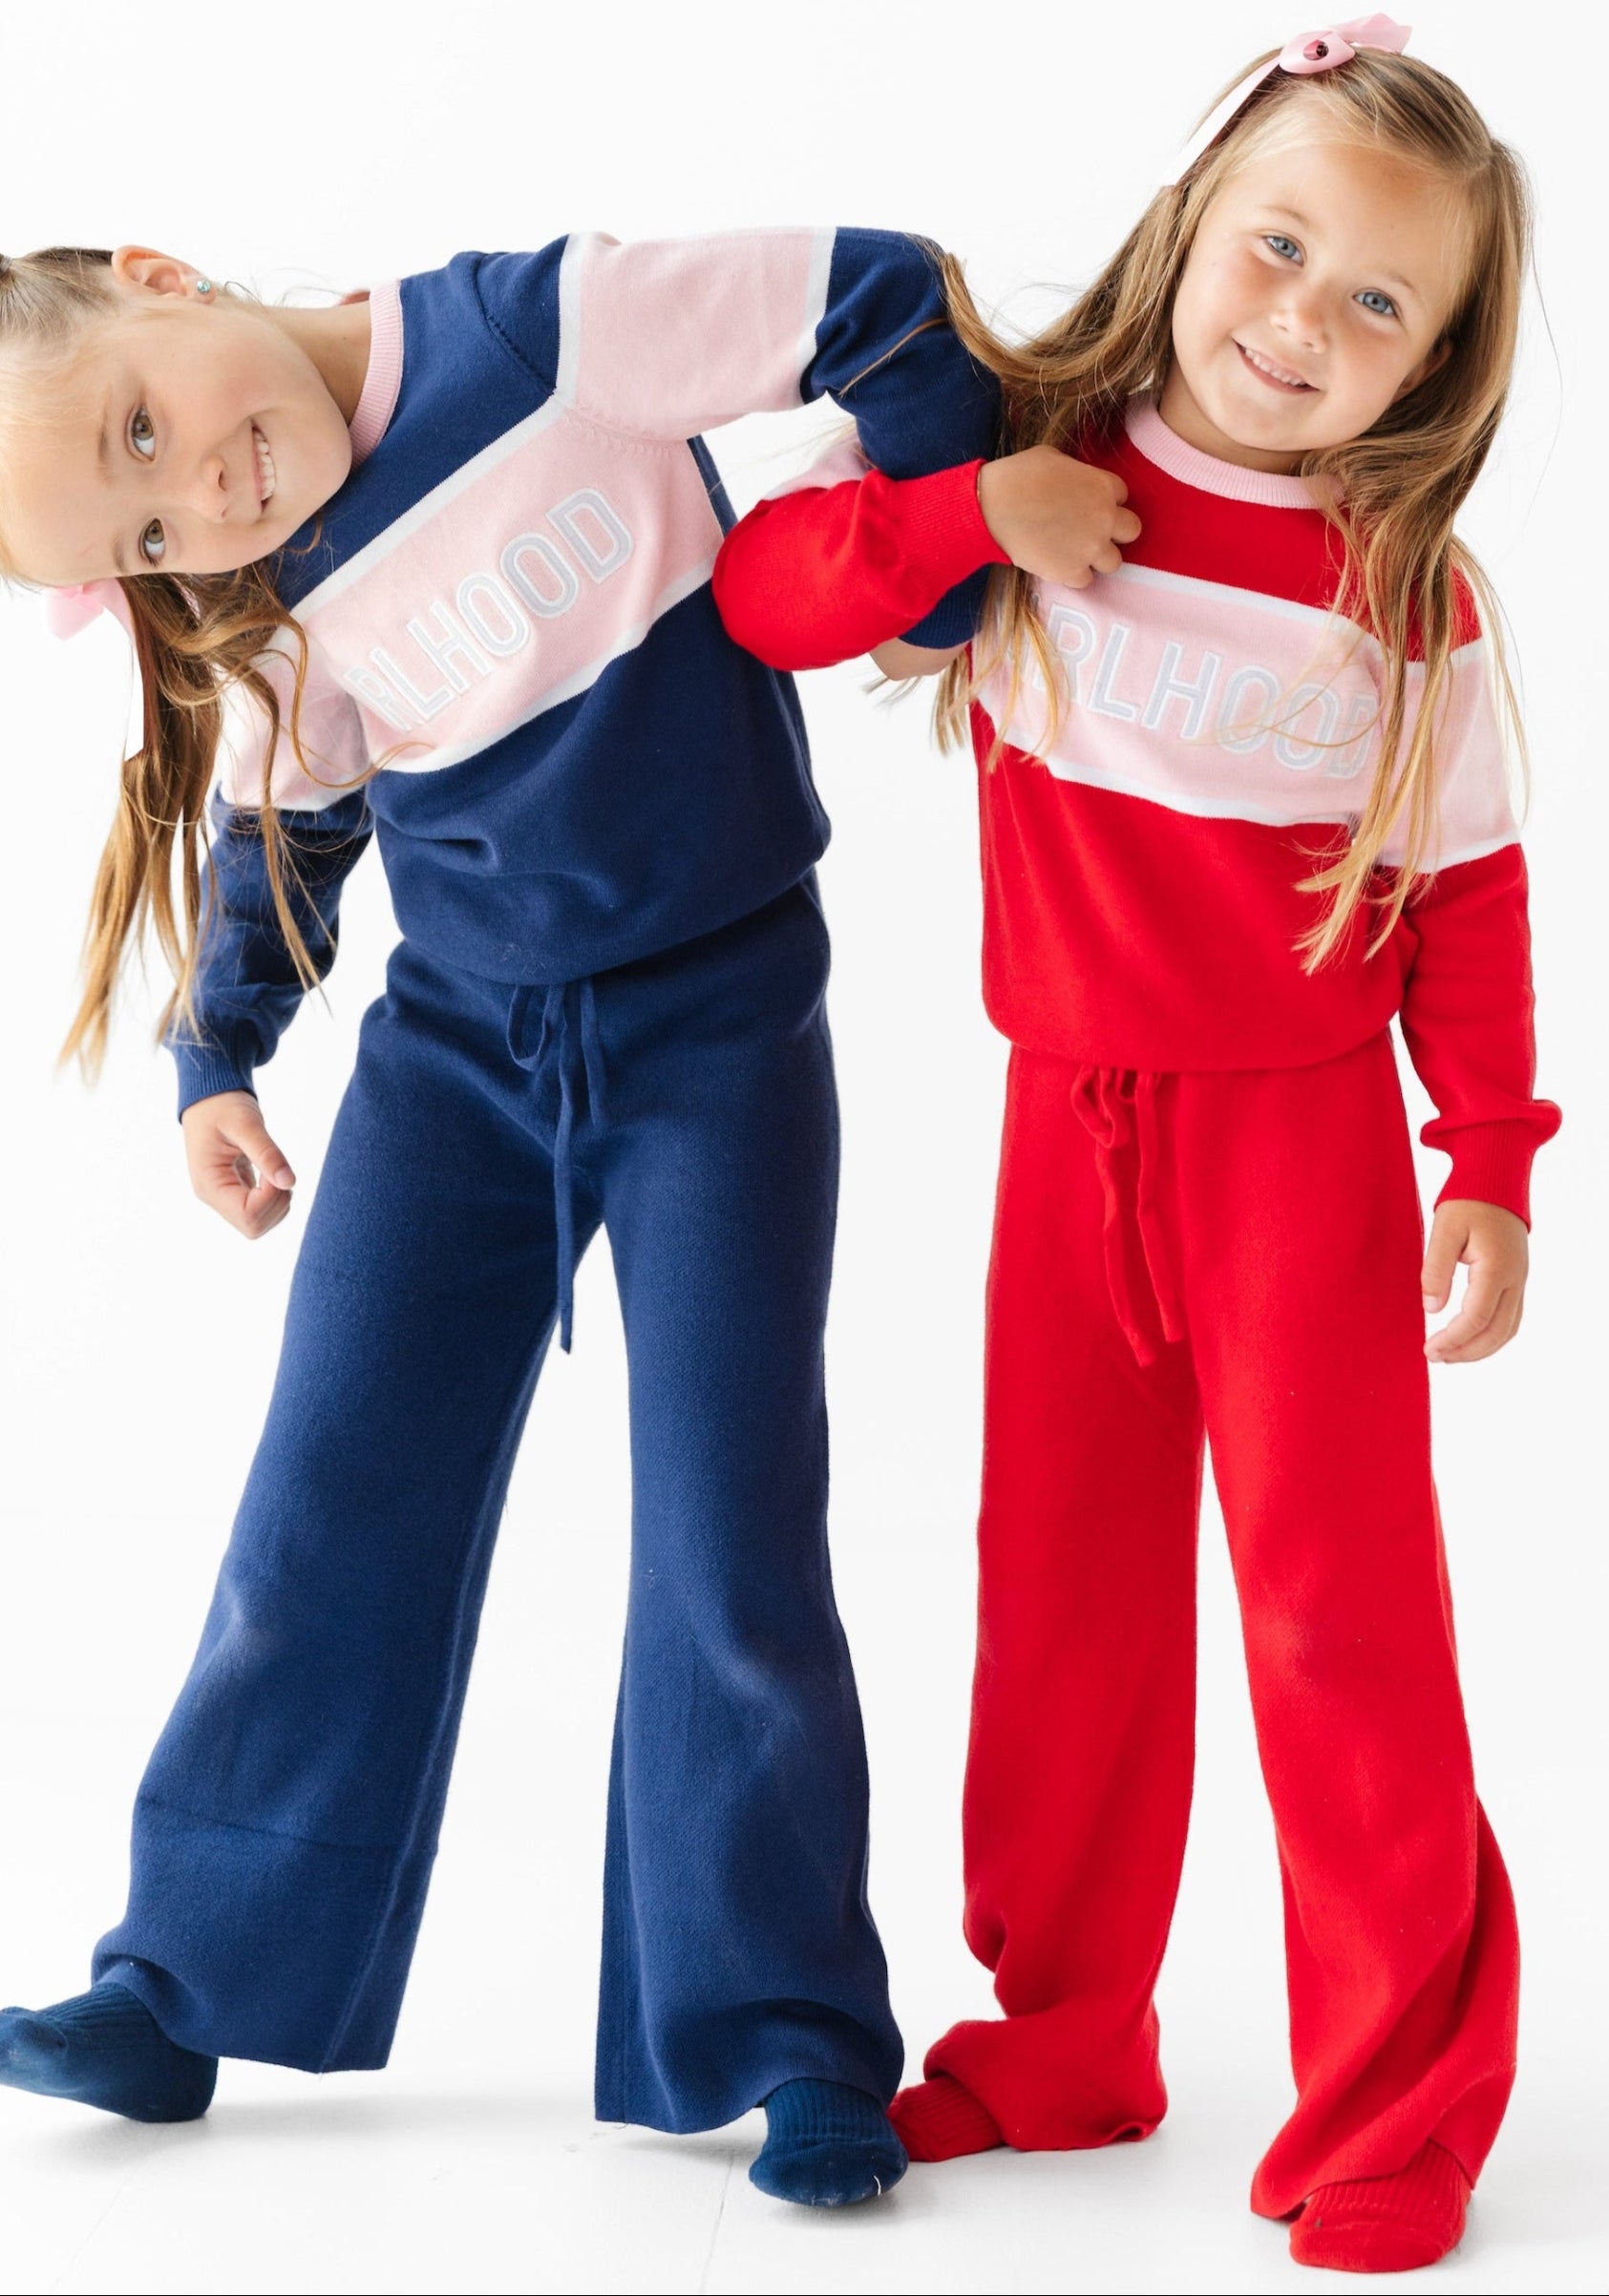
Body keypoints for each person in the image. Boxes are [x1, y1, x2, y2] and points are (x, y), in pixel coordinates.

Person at [0, 221, 995, 2208]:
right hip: (455, 1063)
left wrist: (940, 559)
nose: (201, 498)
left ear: (157, 276)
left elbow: (881, 290)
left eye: (139, 426)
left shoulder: (553, 329)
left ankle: (786, 2035)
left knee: (729, 1531)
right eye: (145, 535)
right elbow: (293, 818)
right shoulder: (270, 586)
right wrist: (217, 1060)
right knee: (326, 1502)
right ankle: (186, 1978)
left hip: (714, 1029)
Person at [713, 19, 1560, 2268]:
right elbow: (771, 598)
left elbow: (1461, 889)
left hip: (1296, 1162)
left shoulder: (1402, 596)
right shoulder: (1023, 456)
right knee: (1064, 1600)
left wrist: (1488, 1151)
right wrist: (971, 510)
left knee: (1338, 1626)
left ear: (1438, 358)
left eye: (1375, 302)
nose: (1299, 321)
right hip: (1054, 1131)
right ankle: (1062, 2032)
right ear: (1194, 219)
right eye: (1276, 247)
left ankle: (1393, 2105)